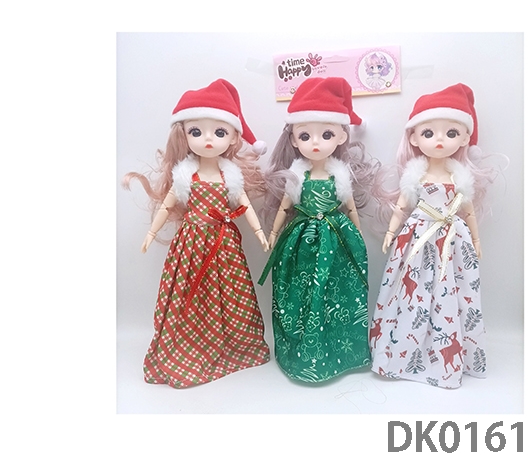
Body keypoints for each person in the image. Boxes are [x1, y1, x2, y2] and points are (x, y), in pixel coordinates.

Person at [123, 79, 270, 388]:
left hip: (224, 244)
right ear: (184, 135)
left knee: (229, 293)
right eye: (196, 131)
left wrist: (258, 231)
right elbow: (168, 204)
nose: (208, 139)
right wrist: (151, 233)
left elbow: (244, 204)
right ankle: (190, 343)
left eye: (219, 132)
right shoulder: (184, 175)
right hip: (190, 244)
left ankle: (231, 344)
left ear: (233, 137)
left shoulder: (230, 175)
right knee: (189, 292)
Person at [370, 83, 495, 388]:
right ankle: (405, 350)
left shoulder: (459, 176)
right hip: (417, 237)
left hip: (452, 239)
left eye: (451, 133)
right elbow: (402, 207)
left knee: (451, 292)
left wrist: (476, 240)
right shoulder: (415, 174)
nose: (439, 140)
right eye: (429, 133)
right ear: (414, 137)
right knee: (410, 293)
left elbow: (468, 212)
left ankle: (445, 352)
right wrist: (391, 232)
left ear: (465, 138)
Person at [259, 77, 378, 383]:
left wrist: (358, 239)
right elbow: (284, 208)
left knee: (337, 293)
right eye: (305, 135)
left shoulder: (341, 176)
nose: (315, 143)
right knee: (301, 292)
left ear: (341, 136)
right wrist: (272, 235)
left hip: (337, 238)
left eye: (326, 134)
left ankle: (340, 351)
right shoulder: (297, 175)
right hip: (301, 239)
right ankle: (302, 353)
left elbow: (351, 209)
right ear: (293, 140)